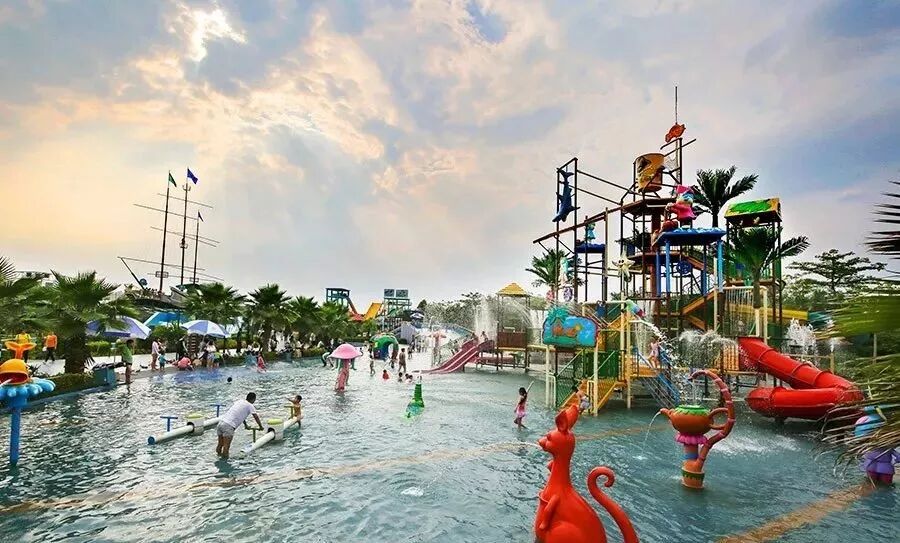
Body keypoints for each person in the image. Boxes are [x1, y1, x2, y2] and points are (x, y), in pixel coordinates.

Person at [216, 393, 264, 459]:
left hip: (221, 423)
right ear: (254, 399)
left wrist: (246, 425)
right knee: (226, 446)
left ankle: (218, 456)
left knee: (220, 444)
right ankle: (224, 462)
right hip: (229, 426)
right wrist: (260, 426)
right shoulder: (250, 405)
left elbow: (240, 415)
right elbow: (256, 417)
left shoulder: (240, 401)